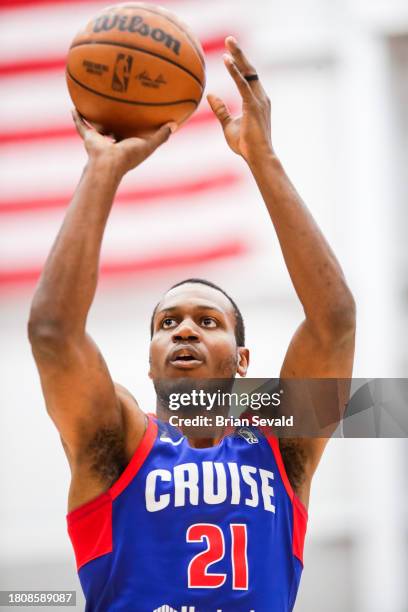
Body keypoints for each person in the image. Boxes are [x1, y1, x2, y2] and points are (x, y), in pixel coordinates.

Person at [28, 37, 356, 612]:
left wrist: (263, 158)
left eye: (208, 321)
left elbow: (334, 322)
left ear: (243, 361)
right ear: (150, 358)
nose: (184, 330)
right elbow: (54, 334)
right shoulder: (120, 440)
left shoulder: (280, 443)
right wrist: (103, 170)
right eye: (168, 323)